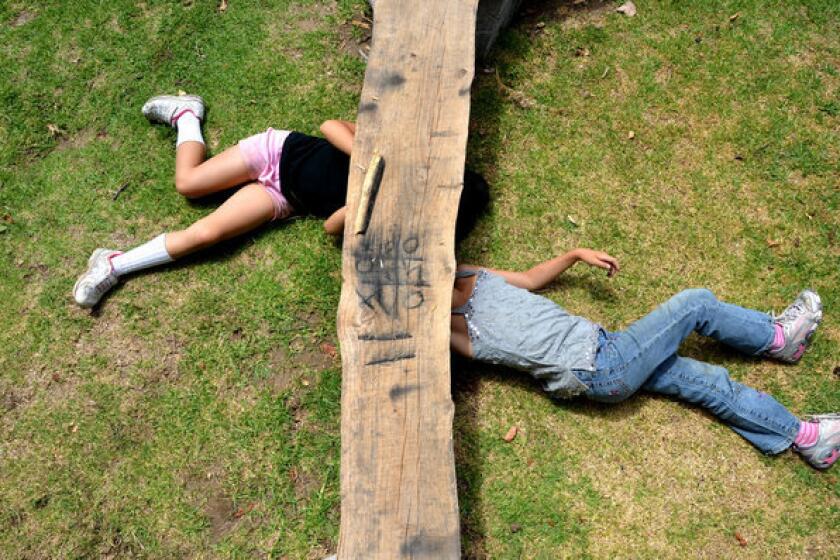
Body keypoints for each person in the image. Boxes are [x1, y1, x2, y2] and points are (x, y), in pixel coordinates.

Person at [73, 94, 489, 308]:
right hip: (276, 152)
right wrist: (369, 164)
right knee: (189, 183)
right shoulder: (390, 151)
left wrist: (360, 209)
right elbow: (329, 126)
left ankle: (113, 264)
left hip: (281, 197)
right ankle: (186, 115)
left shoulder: (390, 214)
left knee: (205, 234)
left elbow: (330, 228)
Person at [450, 247, 839, 470]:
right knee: (695, 303)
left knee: (705, 381)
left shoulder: (468, 270)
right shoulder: (448, 327)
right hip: (597, 369)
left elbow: (530, 279)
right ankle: (777, 339)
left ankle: (805, 439)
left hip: (604, 348)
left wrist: (574, 254)